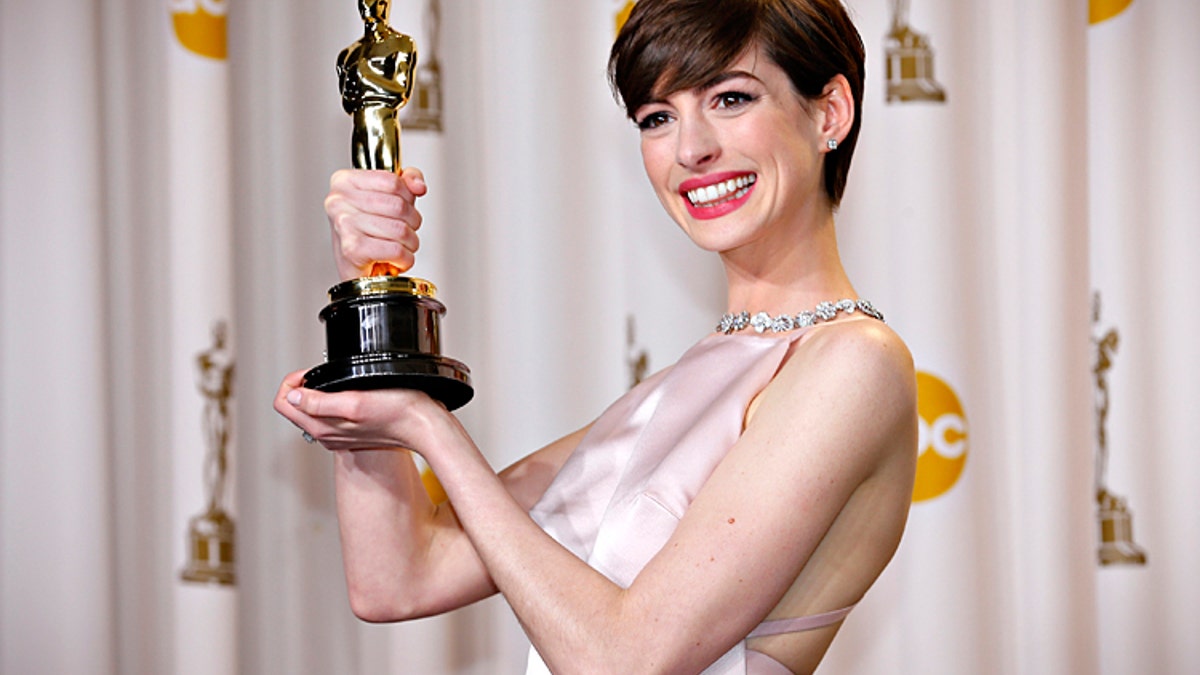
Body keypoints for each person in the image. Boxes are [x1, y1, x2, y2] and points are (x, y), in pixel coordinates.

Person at [275, 1, 918, 672]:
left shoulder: (854, 361)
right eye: (657, 117)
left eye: (730, 98)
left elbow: (627, 659)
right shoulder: (681, 387)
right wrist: (367, 292)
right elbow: (399, 577)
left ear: (830, 112)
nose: (691, 148)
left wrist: (428, 427)